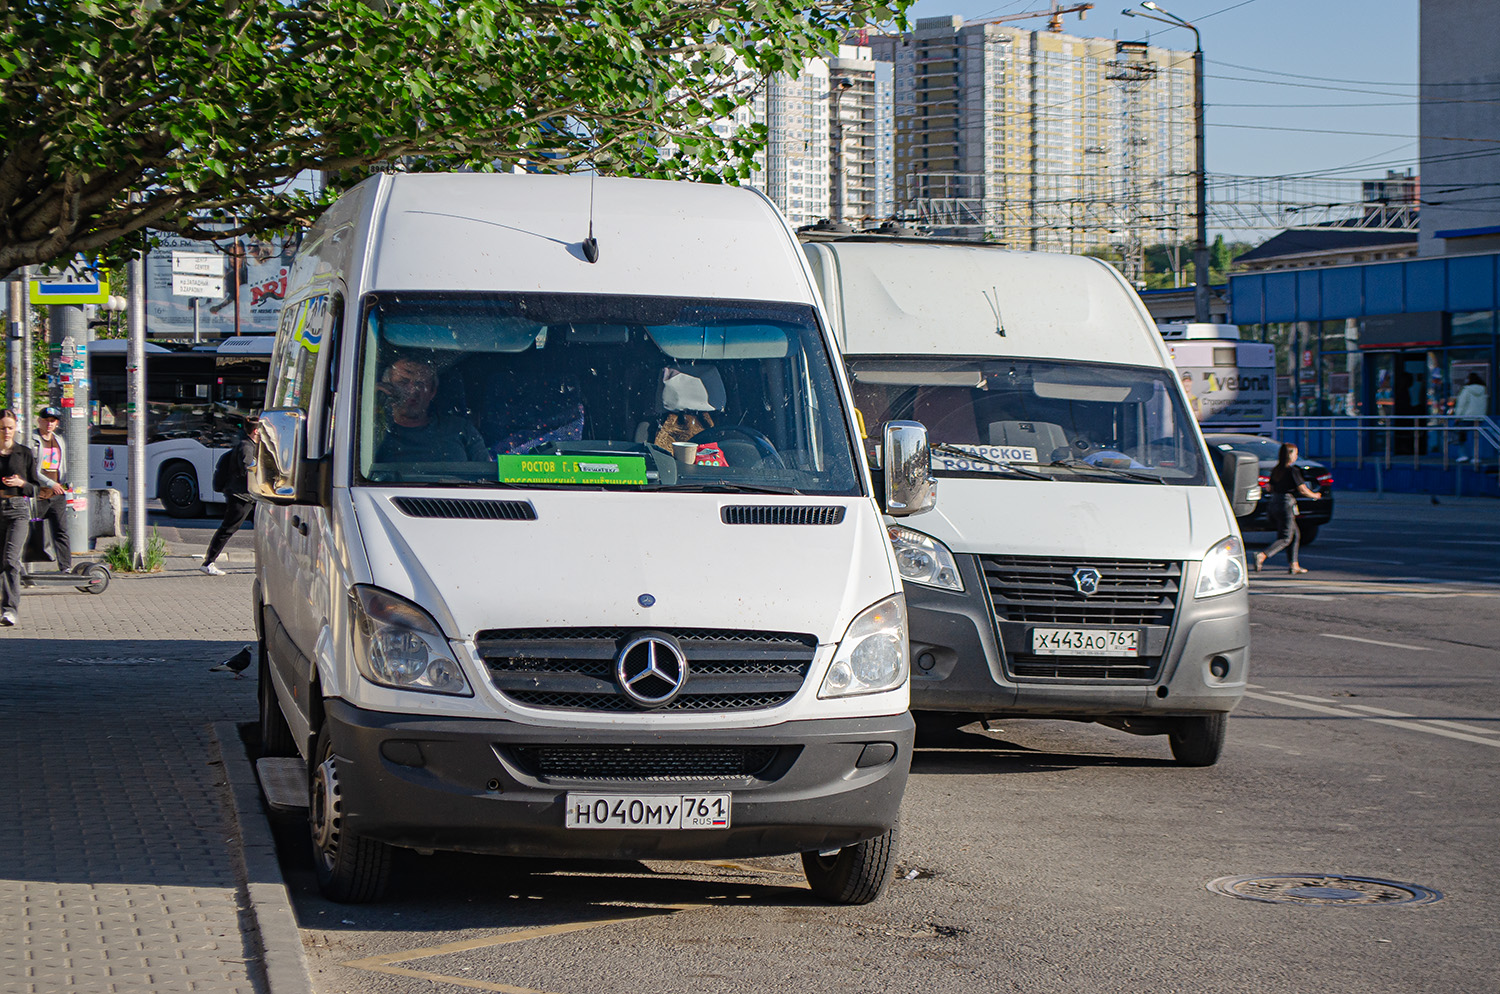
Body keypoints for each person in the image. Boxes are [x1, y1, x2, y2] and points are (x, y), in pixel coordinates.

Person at [374, 356, 489, 463]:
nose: (413, 390)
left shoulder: (461, 429)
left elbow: (486, 479)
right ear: (387, 388)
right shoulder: (374, 429)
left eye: (420, 383)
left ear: (432, 391)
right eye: (403, 382)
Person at [1, 409, 52, 625]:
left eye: (10, 428)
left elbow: (35, 487)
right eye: (2, 428)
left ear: (16, 429)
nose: (6, 432)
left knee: (10, 560)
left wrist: (22, 484)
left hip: (17, 510)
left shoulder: (23, 453)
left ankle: (10, 608)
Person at [1254, 442, 1322, 575]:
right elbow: (1302, 489)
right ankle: (1262, 555)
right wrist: (1315, 495)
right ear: (1290, 455)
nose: (1296, 456)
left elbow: (1269, 487)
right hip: (1286, 503)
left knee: (1295, 535)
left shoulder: (1276, 469)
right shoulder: (1293, 470)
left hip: (1274, 503)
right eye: (1296, 453)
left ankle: (1294, 565)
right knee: (1285, 537)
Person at [200, 421, 259, 576]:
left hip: (250, 496)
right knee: (228, 529)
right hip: (241, 496)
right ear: (256, 431)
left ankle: (267, 563)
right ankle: (208, 562)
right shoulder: (246, 446)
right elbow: (248, 466)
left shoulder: (249, 445)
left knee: (265, 529)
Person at [30, 407, 70, 572]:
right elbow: (31, 469)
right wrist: (49, 483)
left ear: (56, 423)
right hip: (38, 495)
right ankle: (23, 568)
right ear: (39, 420)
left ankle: (65, 567)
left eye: (52, 421)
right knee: (29, 531)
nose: (48, 424)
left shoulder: (59, 440)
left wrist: (65, 484)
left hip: (57, 495)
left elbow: (63, 466)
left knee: (61, 531)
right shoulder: (32, 440)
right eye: (45, 420)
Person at [1453, 373, 1489, 463]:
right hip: (1478, 417)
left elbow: (1462, 404)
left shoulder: (1466, 390)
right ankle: (1476, 457)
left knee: (1461, 436)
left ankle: (1463, 455)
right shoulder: (1483, 390)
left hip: (1466, 417)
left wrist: (1458, 416)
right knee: (1476, 438)